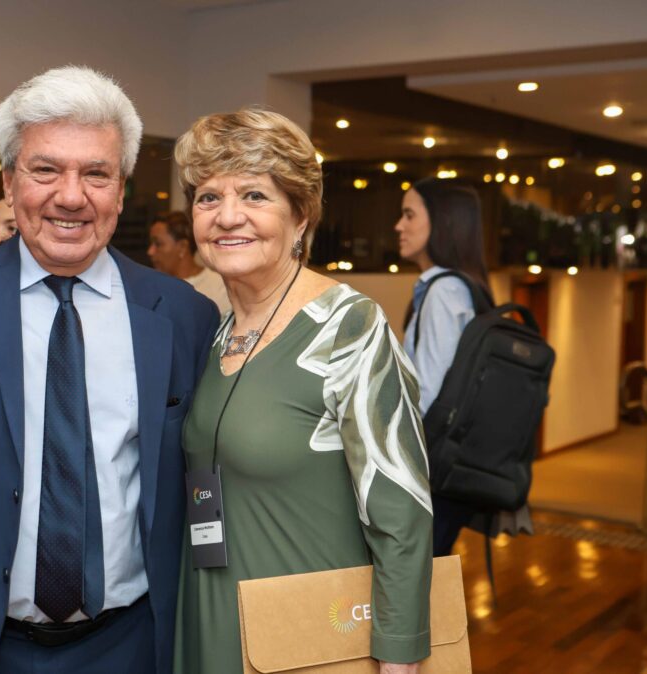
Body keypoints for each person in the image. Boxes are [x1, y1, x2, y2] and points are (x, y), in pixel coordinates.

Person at [0, 66, 219, 674]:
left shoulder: (182, 314)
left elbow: (201, 484)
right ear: (9, 181)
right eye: (45, 170)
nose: (71, 197)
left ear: (121, 190)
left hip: (133, 644)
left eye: (96, 174)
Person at [173, 108, 432, 674]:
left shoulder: (350, 328)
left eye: (255, 195)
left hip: (311, 633)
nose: (227, 216)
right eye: (208, 197)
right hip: (211, 613)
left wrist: (399, 652)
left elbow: (401, 511)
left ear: (301, 217)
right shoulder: (216, 332)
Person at [396, 177, 528, 557]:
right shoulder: (468, 286)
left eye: (409, 215)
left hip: (431, 474)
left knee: (415, 582)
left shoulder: (443, 292)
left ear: (443, 221)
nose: (398, 226)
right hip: (453, 471)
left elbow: (428, 396)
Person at [147, 210, 230, 315]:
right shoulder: (152, 287)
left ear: (182, 247)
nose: (150, 251)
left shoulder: (220, 288)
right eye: (151, 244)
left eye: (158, 244)